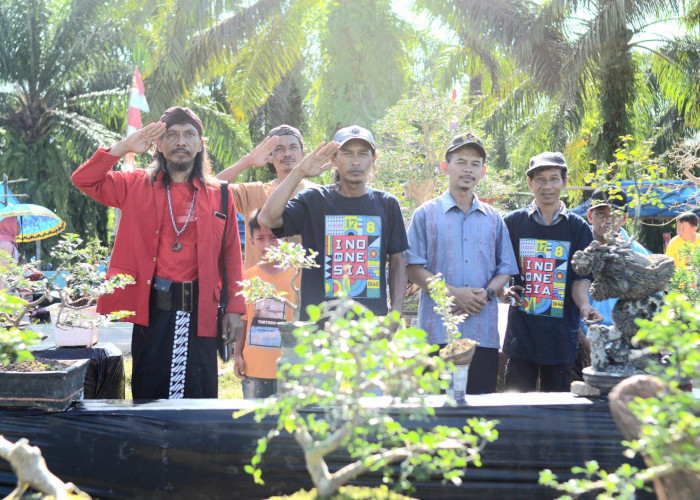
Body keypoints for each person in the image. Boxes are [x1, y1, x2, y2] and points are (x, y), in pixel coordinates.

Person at [72, 107, 245, 399]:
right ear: (159, 145)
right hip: (151, 311)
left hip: (201, 308)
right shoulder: (133, 184)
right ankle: (149, 446)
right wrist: (123, 147)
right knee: (149, 390)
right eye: (172, 135)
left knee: (198, 394)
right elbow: (84, 179)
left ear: (200, 144)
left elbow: (232, 256)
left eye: (190, 134)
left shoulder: (220, 193)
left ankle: (192, 446)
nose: (181, 141)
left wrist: (235, 309)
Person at [405, 133, 518, 394]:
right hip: (437, 333)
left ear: (484, 170)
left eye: (475, 163)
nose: (468, 169)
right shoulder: (425, 214)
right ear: (446, 167)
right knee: (436, 414)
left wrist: (487, 294)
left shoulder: (493, 218)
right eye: (461, 162)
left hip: (482, 334)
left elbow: (506, 269)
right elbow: (413, 266)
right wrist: (453, 294)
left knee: (479, 415)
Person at [258, 125, 408, 318]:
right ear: (334, 159)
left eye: (362, 154)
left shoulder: (387, 204)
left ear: (373, 159)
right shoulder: (313, 200)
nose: (355, 161)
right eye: (347, 153)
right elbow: (267, 218)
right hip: (320, 327)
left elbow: (397, 261)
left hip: (371, 327)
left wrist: (395, 315)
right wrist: (299, 171)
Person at [502, 152, 602, 392]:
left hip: (560, 338)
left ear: (564, 183)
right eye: (540, 179)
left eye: (554, 179)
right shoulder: (512, 223)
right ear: (529, 183)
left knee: (558, 411)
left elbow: (580, 277)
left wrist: (584, 306)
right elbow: (501, 268)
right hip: (521, 334)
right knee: (515, 407)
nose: (547, 186)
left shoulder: (578, 228)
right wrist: (502, 291)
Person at [216, 125, 318, 270]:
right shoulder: (253, 192)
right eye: (279, 149)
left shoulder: (318, 194)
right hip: (259, 288)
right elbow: (210, 190)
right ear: (269, 156)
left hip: (303, 289)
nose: (287, 153)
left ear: (304, 152)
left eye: (293, 147)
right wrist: (247, 161)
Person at [234, 210, 299, 398]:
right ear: (252, 242)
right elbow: (243, 321)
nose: (267, 244)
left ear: (285, 239)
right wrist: (238, 355)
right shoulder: (247, 278)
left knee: (288, 424)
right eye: (260, 238)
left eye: (273, 237)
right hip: (254, 368)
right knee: (255, 424)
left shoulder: (298, 276)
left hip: (289, 369)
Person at [583, 187, 651, 330]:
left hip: (625, 339)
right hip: (582, 336)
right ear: (590, 216)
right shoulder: (578, 248)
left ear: (625, 218)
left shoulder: (638, 254)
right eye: (601, 214)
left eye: (614, 215)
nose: (608, 221)